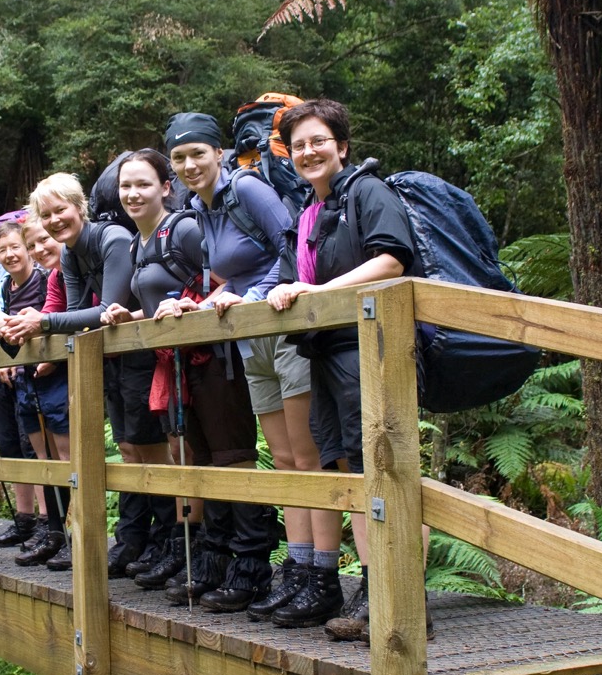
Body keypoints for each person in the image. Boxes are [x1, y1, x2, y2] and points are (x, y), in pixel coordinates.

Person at [161, 111, 342, 627]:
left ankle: (322, 578)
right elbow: (235, 271)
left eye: (199, 152)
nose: (191, 164)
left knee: (308, 460)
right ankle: (299, 569)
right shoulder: (200, 207)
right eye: (179, 157)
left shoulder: (250, 190)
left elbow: (291, 250)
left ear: (218, 153)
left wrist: (250, 297)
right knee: (283, 460)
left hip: (286, 331)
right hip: (251, 339)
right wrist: (201, 300)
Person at [265, 98, 432, 641]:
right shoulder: (310, 213)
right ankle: (373, 589)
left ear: (342, 145)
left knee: (385, 469)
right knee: (349, 474)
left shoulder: (367, 192)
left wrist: (317, 293)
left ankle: (401, 595)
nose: (308, 152)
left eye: (318, 140)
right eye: (298, 145)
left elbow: (392, 258)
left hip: (373, 349)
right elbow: (285, 281)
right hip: (327, 354)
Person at [101, 148, 277, 611]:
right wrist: (134, 312)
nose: (132, 193)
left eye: (142, 184)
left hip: (217, 356)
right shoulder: (141, 242)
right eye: (126, 186)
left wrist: (195, 303)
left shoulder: (184, 228)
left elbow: (224, 276)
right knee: (202, 462)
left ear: (166, 187)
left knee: (233, 456)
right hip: (182, 362)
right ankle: (213, 559)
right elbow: (173, 295)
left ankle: (251, 564)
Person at [1, 173, 175, 577]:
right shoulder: (69, 254)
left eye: (60, 210)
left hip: (139, 351)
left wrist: (42, 322)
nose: (55, 219)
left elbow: (105, 309)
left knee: (150, 449)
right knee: (129, 450)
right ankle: (133, 539)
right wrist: (42, 322)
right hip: (110, 359)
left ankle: (168, 541)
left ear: (80, 207)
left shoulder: (111, 238)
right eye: (46, 214)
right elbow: (77, 314)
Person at [0, 221, 73, 569]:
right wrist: (2, 339)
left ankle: (72, 531)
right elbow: (17, 341)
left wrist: (11, 331)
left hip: (53, 377)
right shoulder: (7, 289)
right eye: (2, 250)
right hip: (26, 382)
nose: (10, 255)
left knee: (65, 457)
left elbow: (51, 321)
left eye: (16, 247)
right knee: (42, 458)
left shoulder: (45, 279)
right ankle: (53, 532)